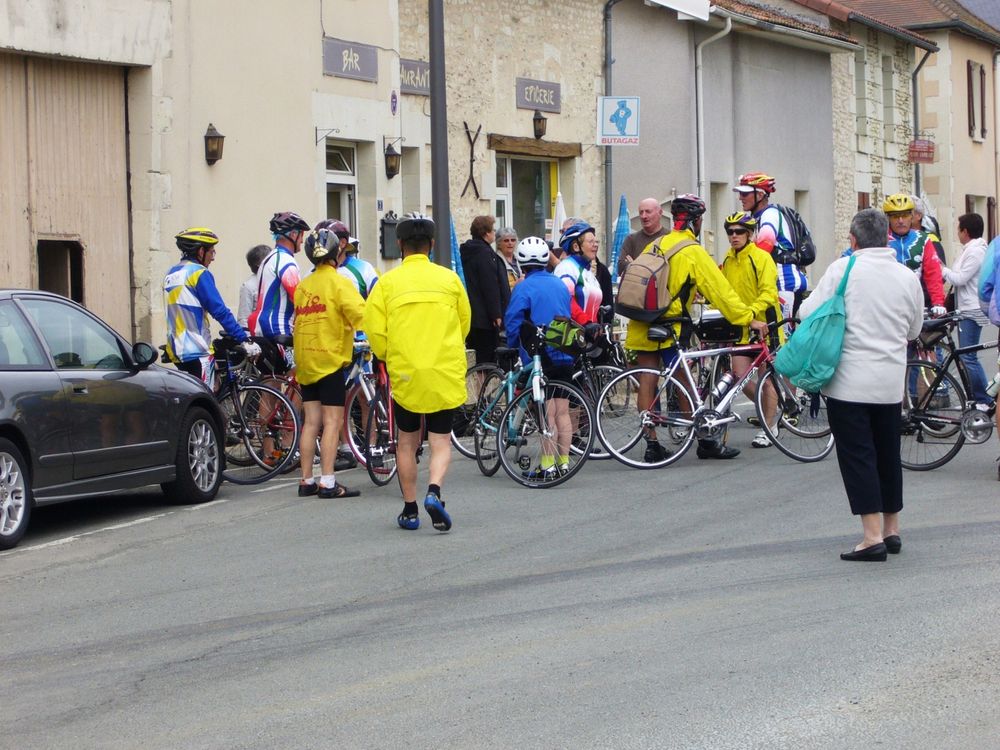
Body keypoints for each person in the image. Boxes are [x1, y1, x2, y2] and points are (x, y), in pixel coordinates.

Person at [799, 208, 923, 562]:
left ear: (853, 240)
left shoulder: (842, 270)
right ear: (886, 238)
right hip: (889, 381)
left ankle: (871, 537)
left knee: (858, 455)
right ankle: (892, 528)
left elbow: (808, 313)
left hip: (848, 382)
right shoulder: (906, 277)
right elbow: (914, 329)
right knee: (888, 453)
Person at [623, 194, 765, 462]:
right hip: (668, 325)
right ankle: (705, 441)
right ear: (696, 221)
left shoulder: (657, 243)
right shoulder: (692, 250)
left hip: (642, 320)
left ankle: (652, 444)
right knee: (684, 383)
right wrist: (748, 318)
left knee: (647, 380)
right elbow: (721, 292)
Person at [363, 212, 471, 532]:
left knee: (406, 442)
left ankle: (410, 509)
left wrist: (387, 355)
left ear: (400, 245)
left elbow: (375, 330)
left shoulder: (387, 283)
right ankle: (434, 491)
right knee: (441, 440)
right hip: (443, 369)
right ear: (432, 245)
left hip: (406, 371)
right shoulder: (449, 280)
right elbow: (464, 322)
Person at [293, 227, 366, 499]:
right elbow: (361, 315)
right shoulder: (339, 282)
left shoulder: (303, 286)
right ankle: (328, 481)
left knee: (311, 422)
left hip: (306, 359)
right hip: (329, 358)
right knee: (333, 421)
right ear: (336, 252)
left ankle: (306, 480)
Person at [504, 236, 579, 480]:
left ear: (522, 263)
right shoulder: (558, 284)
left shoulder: (523, 287)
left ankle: (547, 466)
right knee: (563, 412)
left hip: (540, 354)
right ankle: (563, 464)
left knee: (548, 414)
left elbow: (513, 321)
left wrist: (512, 345)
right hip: (564, 351)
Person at [163, 227, 260, 384]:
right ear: (201, 251)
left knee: (204, 389)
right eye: (211, 252)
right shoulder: (198, 273)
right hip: (196, 348)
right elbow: (219, 310)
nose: (213, 258)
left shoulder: (171, 273)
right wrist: (244, 339)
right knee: (205, 396)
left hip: (176, 348)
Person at [319, 219, 379, 471]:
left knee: (367, 396)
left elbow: (377, 301)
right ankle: (346, 447)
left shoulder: (362, 268)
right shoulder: (318, 272)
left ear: (342, 243)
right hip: (334, 344)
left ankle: (372, 446)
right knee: (340, 397)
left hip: (362, 341)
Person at [718, 211, 781, 448]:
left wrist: (751, 313)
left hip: (764, 326)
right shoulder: (728, 259)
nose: (734, 236)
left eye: (739, 232)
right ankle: (769, 409)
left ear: (750, 234)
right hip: (741, 328)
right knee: (739, 378)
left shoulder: (762, 258)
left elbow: (769, 292)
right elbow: (725, 293)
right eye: (730, 232)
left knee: (767, 379)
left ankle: (769, 427)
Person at [733, 172, 808, 324]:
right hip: (777, 284)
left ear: (760, 195)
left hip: (784, 284)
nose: (740, 198)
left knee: (783, 334)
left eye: (745, 193)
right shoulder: (757, 217)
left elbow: (764, 246)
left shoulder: (769, 215)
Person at [248, 211, 311, 375]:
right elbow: (298, 297)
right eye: (301, 235)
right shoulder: (286, 261)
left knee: (273, 381)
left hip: (261, 326)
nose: (302, 240)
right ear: (293, 234)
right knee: (299, 373)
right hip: (278, 327)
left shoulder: (269, 258)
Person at [943, 213, 989, 404]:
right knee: (967, 356)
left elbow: (961, 278)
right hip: (967, 308)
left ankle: (984, 399)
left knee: (968, 357)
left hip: (971, 309)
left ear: (966, 231)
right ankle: (981, 397)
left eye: (959, 229)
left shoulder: (975, 252)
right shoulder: (970, 249)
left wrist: (942, 270)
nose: (957, 233)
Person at [882, 194, 946, 314]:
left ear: (912, 216)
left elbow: (933, 273)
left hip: (915, 304)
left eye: (905, 215)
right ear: (888, 218)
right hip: (886, 304)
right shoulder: (880, 239)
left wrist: (938, 302)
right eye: (895, 216)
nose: (901, 220)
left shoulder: (922, 239)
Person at [460, 215, 509, 365]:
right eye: (493, 230)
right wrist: (496, 314)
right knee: (487, 359)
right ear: (486, 233)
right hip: (485, 317)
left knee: (479, 356)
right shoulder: (485, 254)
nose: (494, 233)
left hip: (472, 313)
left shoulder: (468, 251)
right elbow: (489, 285)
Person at [555, 222, 603, 325]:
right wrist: (585, 322)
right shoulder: (567, 267)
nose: (596, 245)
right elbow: (565, 297)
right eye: (591, 242)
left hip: (588, 333)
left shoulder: (588, 272)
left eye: (596, 241)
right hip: (572, 332)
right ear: (576, 247)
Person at [616, 198, 669, 275]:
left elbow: (670, 269)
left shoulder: (669, 238)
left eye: (648, 212)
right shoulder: (631, 240)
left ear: (660, 213)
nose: (644, 216)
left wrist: (635, 265)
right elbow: (620, 268)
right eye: (641, 212)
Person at [237, 244, 270, 328]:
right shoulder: (248, 286)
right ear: (259, 264)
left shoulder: (277, 280)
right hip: (257, 333)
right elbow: (244, 319)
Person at [495, 226, 522, 291]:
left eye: (513, 240)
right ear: (499, 244)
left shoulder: (521, 258)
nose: (510, 243)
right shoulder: (495, 261)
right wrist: (516, 285)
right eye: (506, 241)